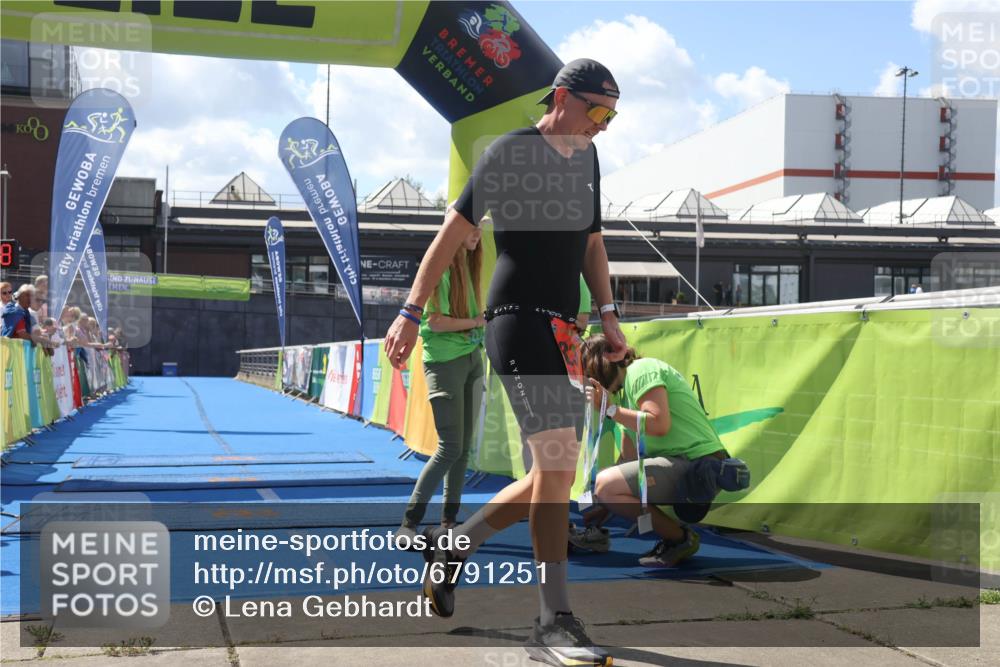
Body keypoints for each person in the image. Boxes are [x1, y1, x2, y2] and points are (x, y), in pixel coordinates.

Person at [384, 58, 626, 667]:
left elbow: (593, 242)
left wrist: (608, 313)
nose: (603, 125)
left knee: (556, 474)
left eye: (612, 116)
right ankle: (553, 620)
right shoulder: (513, 151)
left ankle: (457, 546)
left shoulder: (590, 159)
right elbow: (451, 231)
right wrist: (410, 312)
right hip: (516, 320)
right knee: (557, 463)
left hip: (566, 330)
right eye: (597, 111)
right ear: (562, 99)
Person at [579, 334, 745, 567]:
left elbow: (659, 423)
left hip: (698, 463)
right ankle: (675, 537)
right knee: (606, 486)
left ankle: (680, 539)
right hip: (680, 462)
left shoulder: (641, 370)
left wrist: (610, 410)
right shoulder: (623, 393)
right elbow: (628, 460)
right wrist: (605, 506)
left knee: (607, 484)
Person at [397, 225, 486, 540]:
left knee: (462, 450)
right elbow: (434, 321)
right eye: (471, 227)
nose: (477, 233)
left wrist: (480, 328)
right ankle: (409, 523)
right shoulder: (441, 268)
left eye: (480, 228)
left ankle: (449, 522)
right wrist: (477, 322)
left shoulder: (469, 267)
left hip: (473, 358)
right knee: (450, 447)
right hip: (445, 363)